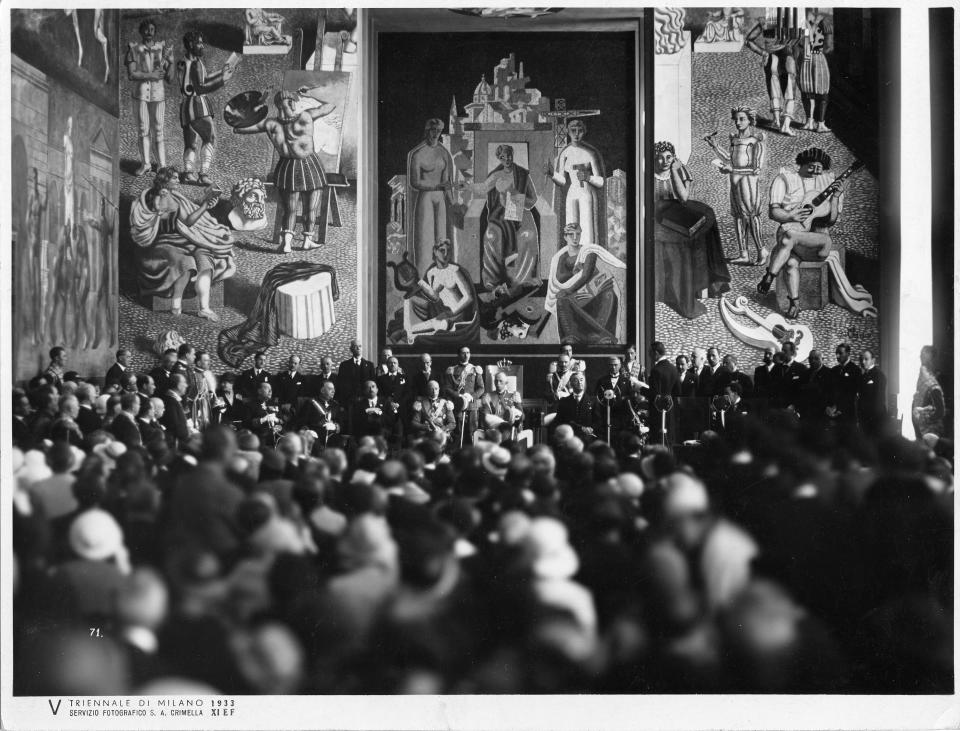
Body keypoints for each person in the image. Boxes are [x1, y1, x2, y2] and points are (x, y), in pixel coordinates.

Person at [233, 89, 336, 253]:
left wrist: (252, 108)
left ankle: (286, 244)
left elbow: (238, 128)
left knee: (290, 209)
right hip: (309, 165)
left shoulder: (270, 124)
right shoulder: (306, 116)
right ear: (294, 103)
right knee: (310, 207)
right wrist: (310, 94)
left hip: (287, 167)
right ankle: (307, 241)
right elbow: (331, 104)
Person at [129, 167, 236, 321]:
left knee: (205, 260)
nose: (178, 181)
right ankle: (176, 304)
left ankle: (204, 308)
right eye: (175, 178)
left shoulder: (176, 197)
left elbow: (188, 221)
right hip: (162, 242)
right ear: (165, 180)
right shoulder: (153, 196)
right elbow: (153, 214)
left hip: (183, 240)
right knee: (187, 263)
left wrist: (205, 204)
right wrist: (159, 202)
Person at [756, 147, 843, 320]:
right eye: (812, 167)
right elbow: (773, 213)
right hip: (791, 243)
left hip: (819, 243)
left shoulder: (826, 182)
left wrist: (835, 197)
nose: (816, 172)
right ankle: (795, 304)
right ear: (802, 164)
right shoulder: (785, 179)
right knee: (790, 264)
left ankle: (769, 275)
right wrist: (790, 215)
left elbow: (831, 220)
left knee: (790, 236)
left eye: (819, 169)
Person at [653, 140, 731, 318]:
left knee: (704, 223)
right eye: (660, 158)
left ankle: (706, 283)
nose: (664, 161)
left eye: (668, 157)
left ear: (674, 158)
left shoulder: (679, 170)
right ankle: (675, 291)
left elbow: (683, 198)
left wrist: (674, 171)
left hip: (677, 210)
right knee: (675, 240)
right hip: (657, 215)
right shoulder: (649, 173)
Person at [475, 144, 540, 303]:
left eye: (508, 155)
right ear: (499, 158)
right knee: (491, 236)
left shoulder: (523, 175)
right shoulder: (495, 175)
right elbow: (483, 189)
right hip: (500, 217)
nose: (506, 159)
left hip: (519, 212)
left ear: (513, 155)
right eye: (502, 157)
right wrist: (467, 186)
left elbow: (533, 201)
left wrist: (516, 198)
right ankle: (492, 280)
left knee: (528, 235)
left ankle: (522, 279)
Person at [545, 222, 627, 345]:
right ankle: (572, 337)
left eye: (577, 234)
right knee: (562, 301)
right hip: (577, 293)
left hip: (594, 290)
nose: (575, 238)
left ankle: (602, 337)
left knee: (609, 295)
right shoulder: (560, 257)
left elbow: (585, 276)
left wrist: (568, 290)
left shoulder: (588, 252)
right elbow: (559, 278)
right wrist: (572, 278)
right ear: (565, 237)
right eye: (571, 234)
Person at [706, 107, 767, 267]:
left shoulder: (755, 142)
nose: (738, 122)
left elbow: (756, 168)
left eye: (742, 119)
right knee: (738, 217)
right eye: (736, 119)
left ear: (750, 121)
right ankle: (743, 254)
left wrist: (732, 169)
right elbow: (729, 158)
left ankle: (762, 251)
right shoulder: (734, 140)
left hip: (749, 182)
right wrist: (715, 146)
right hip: (735, 182)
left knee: (752, 216)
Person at [177, 31, 235, 185]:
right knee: (210, 138)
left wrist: (220, 72)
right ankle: (203, 174)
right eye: (199, 43)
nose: (202, 46)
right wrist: (223, 80)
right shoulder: (195, 63)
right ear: (191, 45)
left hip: (185, 105)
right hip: (197, 105)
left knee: (191, 142)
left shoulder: (185, 62)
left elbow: (202, 78)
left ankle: (188, 173)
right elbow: (201, 87)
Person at [544, 118, 605, 246]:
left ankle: (587, 259)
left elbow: (600, 182)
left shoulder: (590, 153)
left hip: (586, 193)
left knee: (586, 228)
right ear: (567, 131)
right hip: (572, 193)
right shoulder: (565, 153)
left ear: (584, 132)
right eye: (573, 131)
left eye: (580, 131)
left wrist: (588, 177)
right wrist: (552, 174)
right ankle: (572, 259)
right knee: (571, 225)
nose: (576, 134)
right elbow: (562, 180)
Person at [407, 119, 456, 274]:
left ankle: (441, 276)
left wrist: (453, 202)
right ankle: (423, 277)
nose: (435, 133)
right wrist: (435, 186)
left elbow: (446, 181)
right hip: (425, 198)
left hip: (440, 199)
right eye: (432, 130)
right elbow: (414, 182)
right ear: (427, 130)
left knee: (442, 238)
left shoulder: (443, 153)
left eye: (438, 130)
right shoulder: (418, 154)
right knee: (425, 238)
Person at [126, 18, 173, 176]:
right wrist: (150, 74)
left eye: (152, 29)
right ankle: (146, 164)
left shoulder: (161, 50)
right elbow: (132, 74)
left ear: (155, 32)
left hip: (158, 95)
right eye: (146, 29)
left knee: (159, 130)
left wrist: (170, 63)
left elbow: (169, 78)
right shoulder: (134, 49)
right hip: (140, 95)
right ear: (141, 32)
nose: (149, 32)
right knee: (142, 130)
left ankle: (162, 165)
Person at [744, 19, 801, 136]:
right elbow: (799, 41)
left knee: (774, 92)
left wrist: (764, 53)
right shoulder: (793, 20)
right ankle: (785, 125)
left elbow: (748, 41)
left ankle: (776, 121)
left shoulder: (766, 22)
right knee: (790, 94)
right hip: (788, 58)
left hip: (771, 58)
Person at [410, 239, 476, 330]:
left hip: (457, 313)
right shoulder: (431, 273)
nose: (445, 254)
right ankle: (407, 331)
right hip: (441, 312)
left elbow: (469, 298)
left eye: (448, 251)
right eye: (442, 250)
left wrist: (452, 312)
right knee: (417, 324)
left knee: (443, 324)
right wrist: (422, 285)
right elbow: (435, 297)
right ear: (435, 252)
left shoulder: (455, 270)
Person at [442, 346, 485, 447]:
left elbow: (481, 388)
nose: (466, 355)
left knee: (471, 432)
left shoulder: (475, 370)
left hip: (471, 406)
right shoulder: (452, 370)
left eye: (468, 353)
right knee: (458, 431)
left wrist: (471, 396)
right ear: (458, 355)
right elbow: (447, 388)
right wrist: (459, 396)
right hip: (457, 405)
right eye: (463, 353)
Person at [799, 9, 833, 133]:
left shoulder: (822, 23)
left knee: (818, 90)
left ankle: (817, 123)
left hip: (813, 58)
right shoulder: (806, 24)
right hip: (812, 58)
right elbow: (803, 42)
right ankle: (813, 122)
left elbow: (828, 46)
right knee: (809, 90)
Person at [647, 341, 680, 444]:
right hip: (671, 412)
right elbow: (678, 391)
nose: (649, 355)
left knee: (657, 441)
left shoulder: (656, 370)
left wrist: (640, 388)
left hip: (657, 413)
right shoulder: (674, 369)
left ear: (656, 353)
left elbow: (653, 394)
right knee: (668, 441)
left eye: (650, 352)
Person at [912, 345, 946, 443]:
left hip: (930, 430)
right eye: (921, 356)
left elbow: (940, 411)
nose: (920, 358)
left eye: (924, 356)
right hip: (920, 426)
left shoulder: (935, 381)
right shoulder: (923, 374)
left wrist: (924, 417)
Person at [410, 380, 456, 447]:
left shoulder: (445, 403)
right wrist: (424, 427)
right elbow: (414, 422)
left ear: (439, 389)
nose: (434, 392)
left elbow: (452, 423)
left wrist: (442, 429)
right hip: (426, 434)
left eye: (436, 389)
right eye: (431, 389)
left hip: (441, 434)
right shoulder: (420, 403)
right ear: (427, 390)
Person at [827, 343, 860, 426]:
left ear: (848, 353)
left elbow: (852, 394)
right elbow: (829, 391)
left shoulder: (855, 370)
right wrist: (829, 407)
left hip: (848, 415)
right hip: (833, 415)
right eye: (836, 353)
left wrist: (839, 408)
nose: (837, 356)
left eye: (840, 353)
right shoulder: (833, 370)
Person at [857, 348, 887, 438]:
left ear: (873, 360)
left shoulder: (879, 375)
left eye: (866, 359)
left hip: (875, 419)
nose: (863, 362)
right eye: (861, 359)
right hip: (864, 419)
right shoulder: (862, 376)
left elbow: (879, 400)